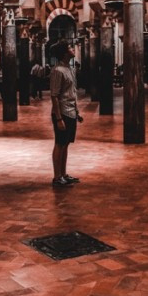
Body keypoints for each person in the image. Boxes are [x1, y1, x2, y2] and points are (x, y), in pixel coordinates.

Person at [50, 40, 83, 187]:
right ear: (64, 53)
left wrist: (77, 112)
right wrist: (58, 119)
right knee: (59, 144)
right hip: (62, 113)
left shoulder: (70, 69)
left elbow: (72, 93)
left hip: (71, 112)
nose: (72, 49)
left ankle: (63, 174)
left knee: (66, 144)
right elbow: (54, 96)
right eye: (70, 47)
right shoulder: (57, 71)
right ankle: (57, 177)